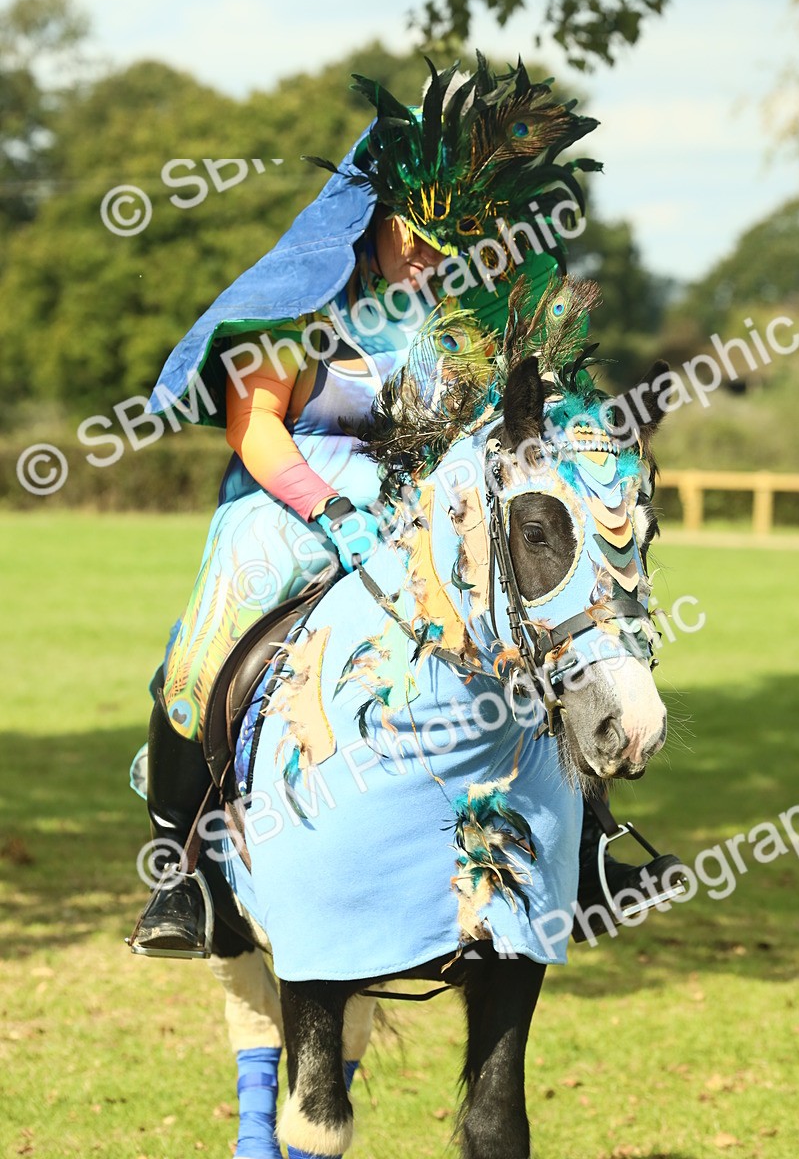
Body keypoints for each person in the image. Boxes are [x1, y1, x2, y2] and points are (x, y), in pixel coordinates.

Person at [127, 54, 678, 961]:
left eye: (447, 241)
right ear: (377, 214)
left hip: (420, 502)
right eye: (415, 232)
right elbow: (253, 425)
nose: (428, 255)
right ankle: (180, 870)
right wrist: (330, 513)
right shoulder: (297, 299)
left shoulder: (449, 310)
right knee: (211, 631)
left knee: (537, 620)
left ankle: (588, 851)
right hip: (291, 498)